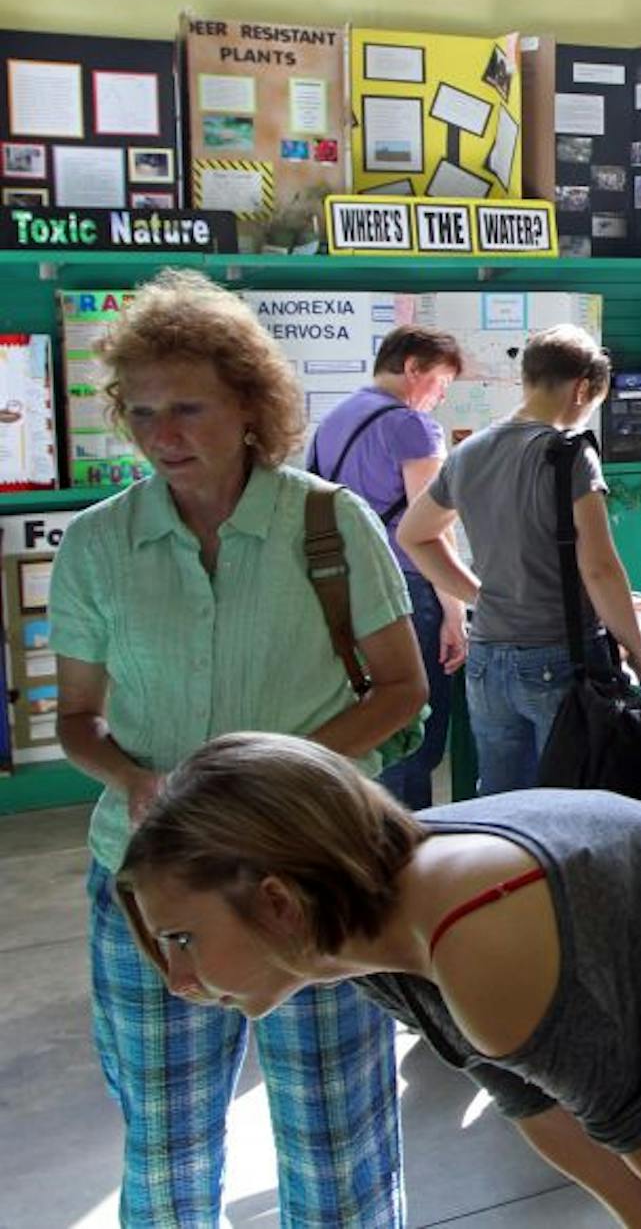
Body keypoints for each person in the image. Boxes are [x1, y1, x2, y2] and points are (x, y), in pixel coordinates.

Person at [114, 733, 641, 1229]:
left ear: (278, 901)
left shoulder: (477, 938)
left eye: (183, 939)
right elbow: (537, 1106)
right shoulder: (359, 918)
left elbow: (630, 1121)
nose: (177, 979)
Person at [50, 269, 426, 1227]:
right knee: (166, 1138)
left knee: (337, 1138)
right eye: (141, 413)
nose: (162, 434)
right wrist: (133, 779)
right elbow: (78, 719)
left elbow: (402, 689)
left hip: (313, 873)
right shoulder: (99, 544)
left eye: (188, 408)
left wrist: (272, 784)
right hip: (151, 886)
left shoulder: (328, 524)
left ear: (250, 406)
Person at [400, 324, 641, 795]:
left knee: (503, 805)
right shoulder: (570, 454)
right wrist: (639, 652)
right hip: (559, 657)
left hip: (487, 659)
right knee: (570, 802)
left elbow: (414, 535)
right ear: (582, 389)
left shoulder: (469, 452)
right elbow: (599, 567)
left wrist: (480, 596)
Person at [309, 325, 467, 809]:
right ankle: (408, 839)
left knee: (369, 720)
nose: (442, 396)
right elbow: (431, 526)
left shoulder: (335, 419)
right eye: (441, 381)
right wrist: (455, 612)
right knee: (413, 733)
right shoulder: (412, 427)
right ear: (413, 368)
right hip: (408, 590)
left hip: (343, 591)